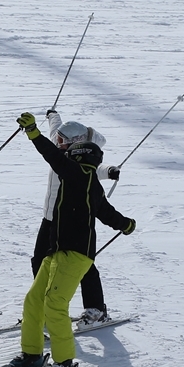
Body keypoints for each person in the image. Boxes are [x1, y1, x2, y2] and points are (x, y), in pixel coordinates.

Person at [2, 112, 136, 367]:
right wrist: (126, 224)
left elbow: (54, 157)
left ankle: (64, 365)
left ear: (77, 155)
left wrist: (33, 134)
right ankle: (32, 356)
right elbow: (108, 214)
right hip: (57, 250)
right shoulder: (87, 183)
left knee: (54, 304)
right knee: (34, 300)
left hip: (76, 254)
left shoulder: (78, 174)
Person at [31, 109, 121, 328]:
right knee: (40, 260)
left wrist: (109, 171)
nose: (57, 142)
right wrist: (53, 115)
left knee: (81, 265)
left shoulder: (82, 160)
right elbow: (55, 126)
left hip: (72, 219)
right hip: (50, 217)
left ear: (75, 142)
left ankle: (96, 309)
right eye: (58, 138)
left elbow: (96, 168)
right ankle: (41, 305)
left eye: (62, 140)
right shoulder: (58, 144)